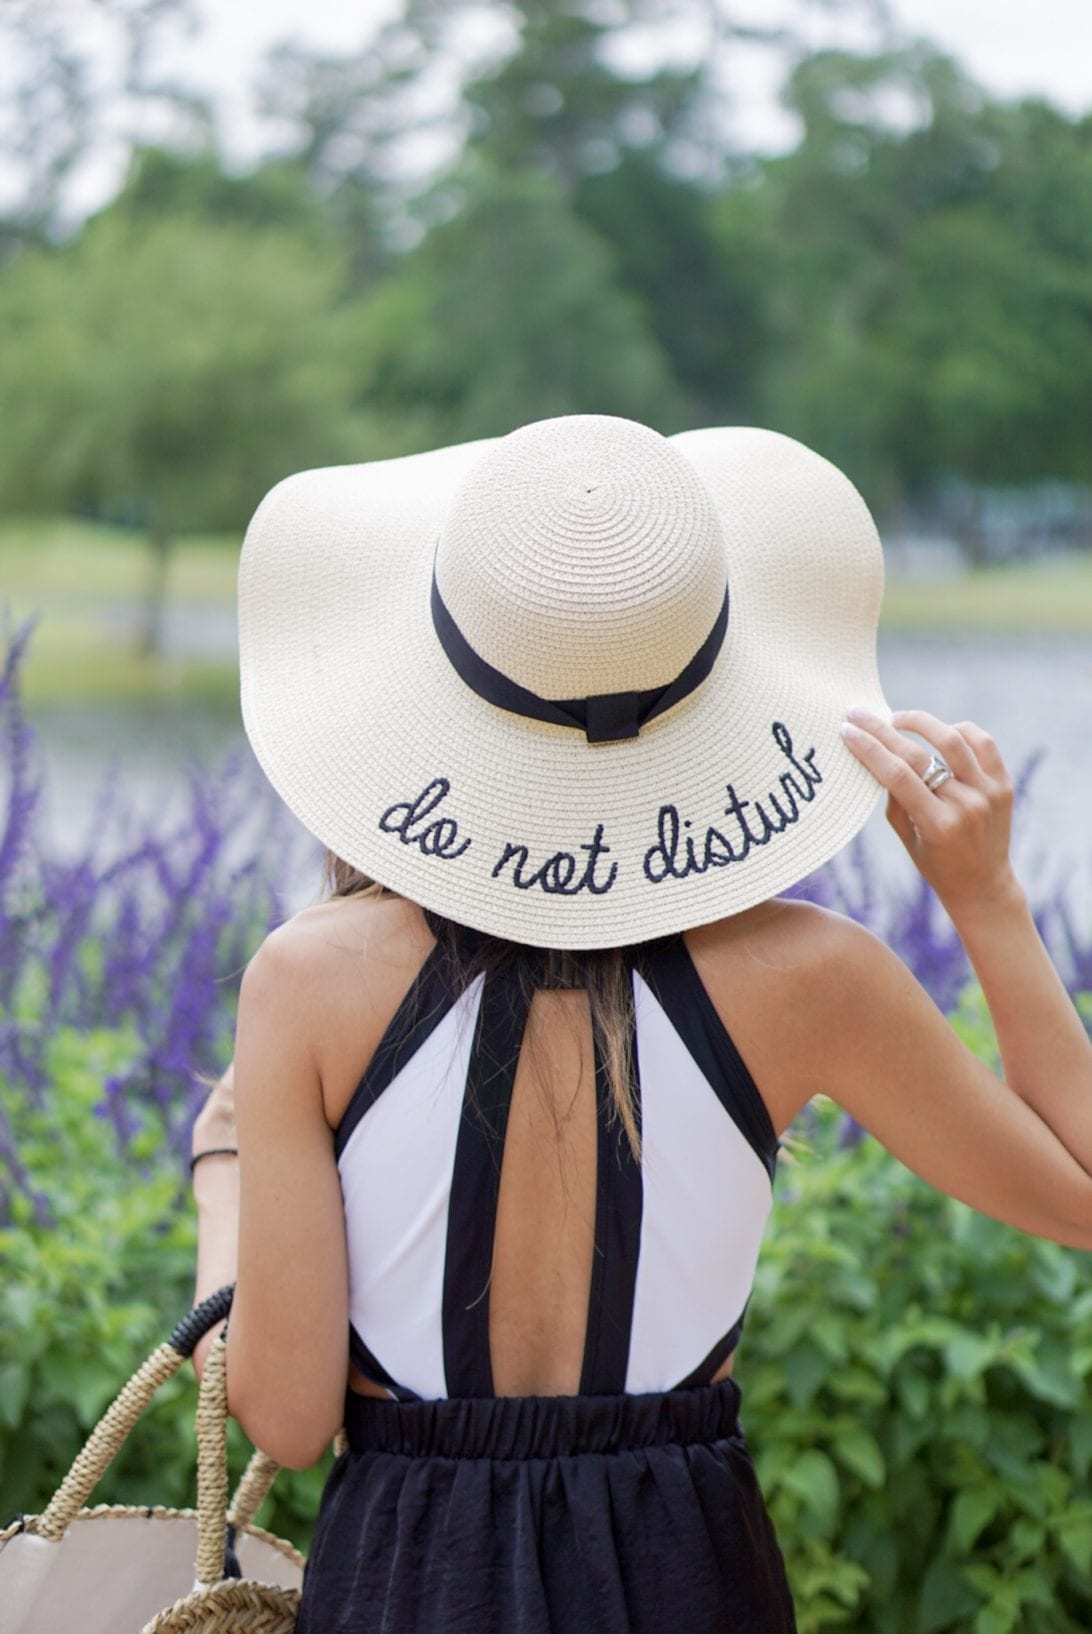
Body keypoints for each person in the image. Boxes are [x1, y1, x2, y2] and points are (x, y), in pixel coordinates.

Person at [189, 415, 1092, 1634]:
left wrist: (224, 1167)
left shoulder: (310, 978)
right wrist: (985, 899)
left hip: (411, 1572)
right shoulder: (814, 974)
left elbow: (287, 1418)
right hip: (686, 1564)